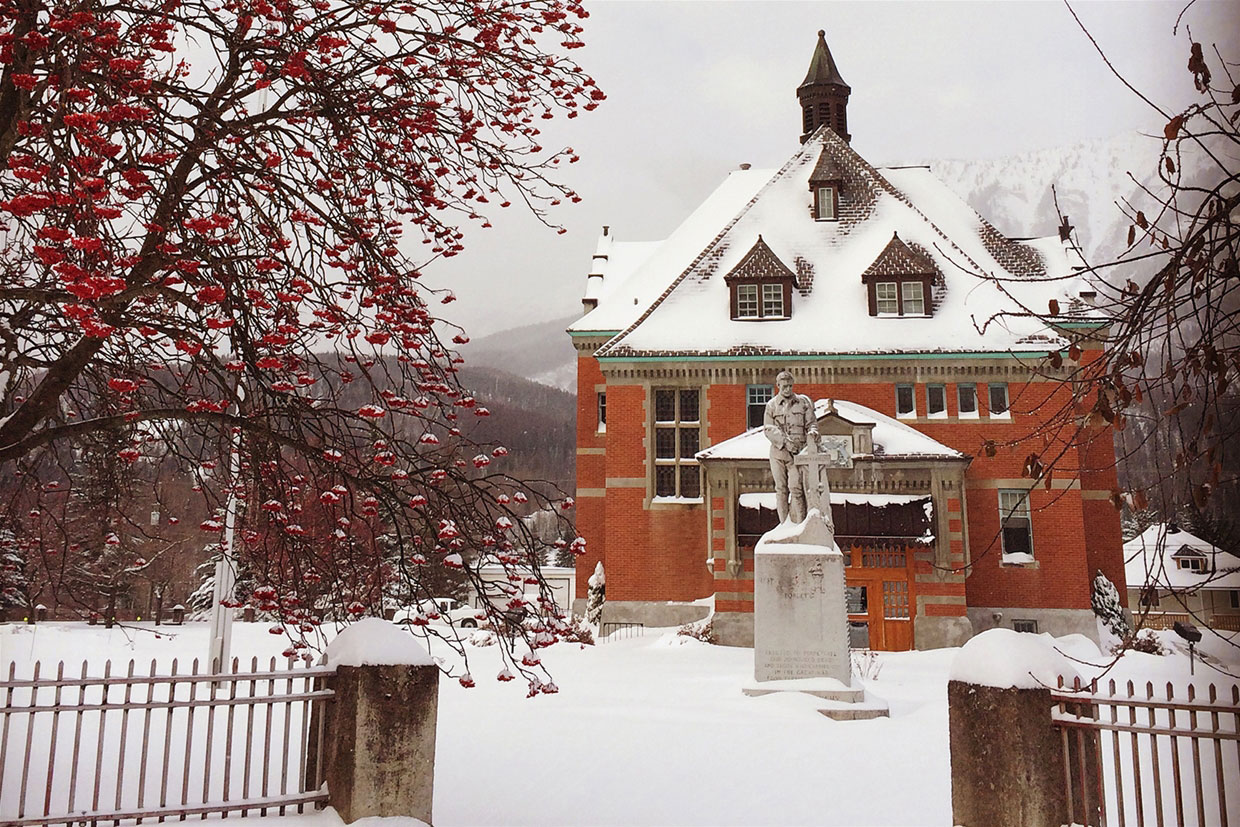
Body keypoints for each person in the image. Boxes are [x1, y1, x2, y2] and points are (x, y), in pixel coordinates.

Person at [763, 371, 819, 523]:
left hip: (797, 454)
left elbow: (812, 423)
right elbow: (768, 429)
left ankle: (799, 524)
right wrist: (785, 442)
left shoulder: (803, 403)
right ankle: (783, 524)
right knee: (781, 489)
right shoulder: (772, 405)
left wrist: (813, 433)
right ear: (778, 386)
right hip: (779, 453)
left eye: (790, 386)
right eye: (784, 386)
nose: (787, 389)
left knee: (796, 488)